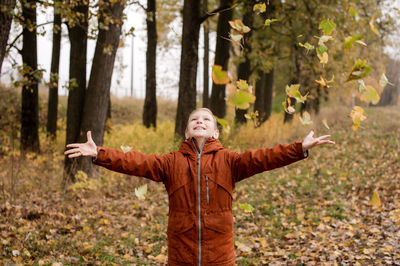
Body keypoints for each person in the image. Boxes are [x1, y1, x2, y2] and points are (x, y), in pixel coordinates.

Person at [65, 107, 335, 265]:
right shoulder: (169, 162)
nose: (200, 122)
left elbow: (264, 157)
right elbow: (135, 161)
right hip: (181, 250)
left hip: (220, 253)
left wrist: (299, 148)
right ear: (186, 132)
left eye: (206, 120)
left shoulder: (231, 161)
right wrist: (99, 153)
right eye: (194, 120)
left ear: (216, 132)